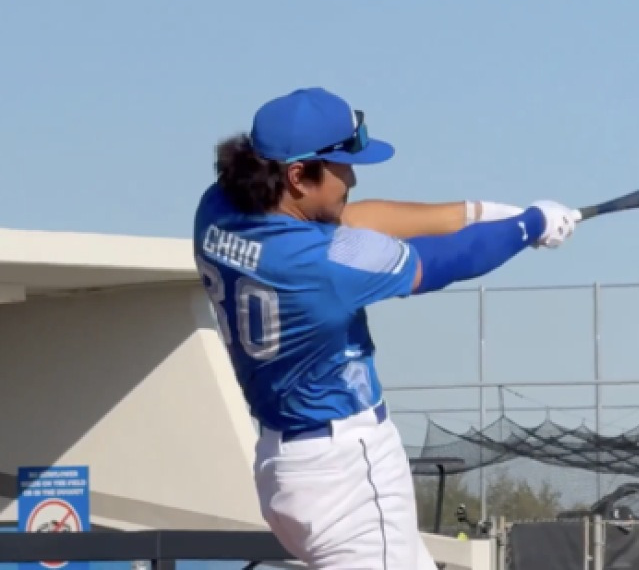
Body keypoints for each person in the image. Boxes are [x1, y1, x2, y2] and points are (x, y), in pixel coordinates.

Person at [191, 86, 578, 569]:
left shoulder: (217, 212)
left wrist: (473, 213)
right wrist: (527, 228)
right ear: (296, 176)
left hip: (285, 464)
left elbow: (352, 219)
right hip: (345, 468)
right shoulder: (324, 263)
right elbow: (441, 262)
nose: (351, 177)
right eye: (340, 167)